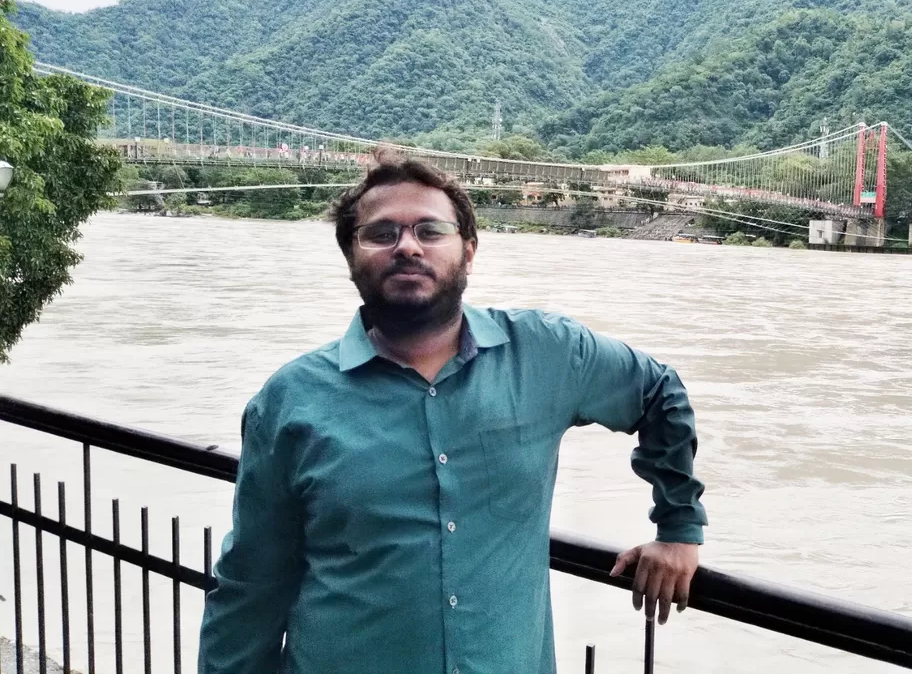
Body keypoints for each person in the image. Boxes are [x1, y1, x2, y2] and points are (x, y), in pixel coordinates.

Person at [199, 150, 707, 674]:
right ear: (350, 256)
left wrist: (678, 528)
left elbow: (658, 393)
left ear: (468, 250)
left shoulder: (546, 353)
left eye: (430, 230)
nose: (408, 247)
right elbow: (251, 584)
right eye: (381, 234)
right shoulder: (291, 400)